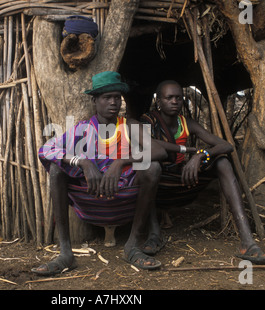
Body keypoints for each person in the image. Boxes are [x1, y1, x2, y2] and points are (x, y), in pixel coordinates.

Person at [32, 71, 168, 276]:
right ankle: (65, 253)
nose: (113, 102)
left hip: (125, 197)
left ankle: (132, 246)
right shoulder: (83, 129)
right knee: (56, 169)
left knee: (153, 167)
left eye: (116, 97)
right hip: (90, 198)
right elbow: (47, 149)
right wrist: (84, 162)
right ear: (95, 101)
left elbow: (159, 151)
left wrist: (121, 162)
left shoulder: (128, 125)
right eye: (106, 97)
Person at [139, 80, 265, 265]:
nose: (174, 101)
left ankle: (248, 243)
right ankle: (154, 233)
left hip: (182, 181)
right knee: (145, 166)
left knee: (222, 161)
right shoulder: (146, 121)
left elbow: (226, 145)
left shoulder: (186, 122)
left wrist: (199, 155)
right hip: (157, 183)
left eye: (178, 98)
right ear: (159, 101)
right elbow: (144, 149)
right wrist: (186, 151)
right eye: (169, 98)